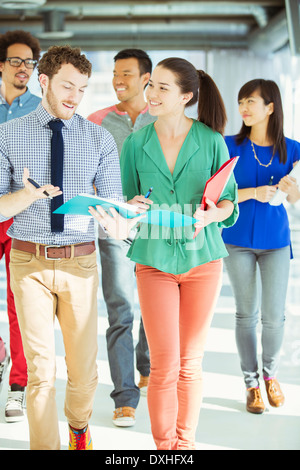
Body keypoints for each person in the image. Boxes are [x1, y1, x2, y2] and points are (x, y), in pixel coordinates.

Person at [92, 58, 238, 450]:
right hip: (153, 259)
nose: (151, 94)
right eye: (151, 85)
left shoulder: (210, 140)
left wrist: (211, 215)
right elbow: (123, 201)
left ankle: (184, 446)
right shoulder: (137, 144)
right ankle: (163, 449)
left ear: (186, 97)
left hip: (202, 260)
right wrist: (130, 207)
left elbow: (228, 202)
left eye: (162, 88)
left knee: (190, 365)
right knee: (163, 365)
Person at [0, 45, 139, 450]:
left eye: (81, 89)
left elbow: (113, 206)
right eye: (66, 86)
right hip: (28, 261)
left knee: (82, 372)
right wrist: (24, 197)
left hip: (80, 263)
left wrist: (124, 215)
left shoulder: (98, 139)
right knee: (41, 372)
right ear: (43, 82)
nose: (74, 97)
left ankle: (79, 426)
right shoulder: (7, 135)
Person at [222, 79, 300, 415]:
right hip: (236, 241)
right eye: (241, 101)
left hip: (276, 242)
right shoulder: (228, 146)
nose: (244, 108)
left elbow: (295, 201)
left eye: (251, 101)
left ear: (271, 107)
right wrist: (253, 193)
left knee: (274, 318)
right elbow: (215, 196)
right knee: (245, 314)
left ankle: (270, 375)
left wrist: (290, 189)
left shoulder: (293, 150)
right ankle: (251, 383)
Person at [88, 49, 154, 427]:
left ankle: (144, 363)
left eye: (126, 74)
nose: (118, 80)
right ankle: (125, 396)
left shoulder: (161, 119)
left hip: (153, 228)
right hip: (112, 227)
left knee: (150, 305)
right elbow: (85, 174)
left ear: (146, 79)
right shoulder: (97, 122)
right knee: (121, 309)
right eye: (115, 73)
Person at [0, 30, 41, 423]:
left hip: (23, 216)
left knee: (19, 302)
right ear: (0, 65)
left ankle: (17, 387)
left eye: (30, 62)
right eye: (16, 61)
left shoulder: (40, 111)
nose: (24, 69)